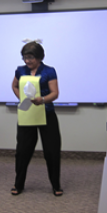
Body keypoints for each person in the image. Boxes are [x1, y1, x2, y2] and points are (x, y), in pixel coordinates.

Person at [11, 41, 63, 196]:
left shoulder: (49, 71)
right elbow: (14, 86)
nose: (27, 61)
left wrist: (43, 99)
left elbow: (55, 93)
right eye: (25, 57)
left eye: (31, 57)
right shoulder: (20, 71)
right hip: (27, 114)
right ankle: (18, 184)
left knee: (52, 151)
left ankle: (56, 185)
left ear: (40, 57)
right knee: (22, 151)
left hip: (47, 114)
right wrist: (22, 98)